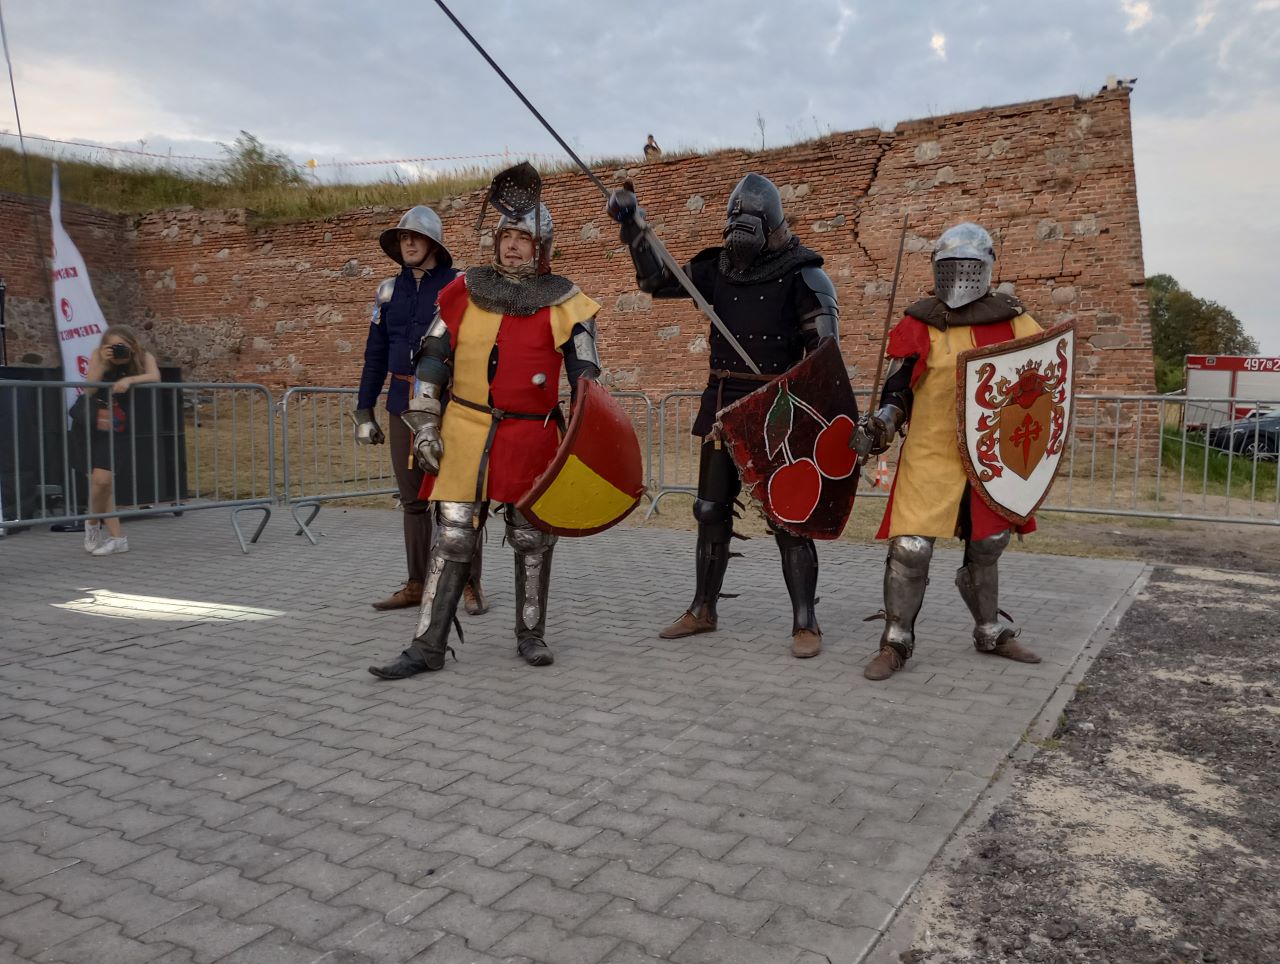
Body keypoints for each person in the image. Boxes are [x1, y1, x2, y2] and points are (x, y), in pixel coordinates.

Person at [369, 165, 604, 680]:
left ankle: (531, 633)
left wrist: (587, 431)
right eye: (507, 237)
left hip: (531, 433)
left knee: (531, 536)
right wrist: (427, 424)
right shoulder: (463, 292)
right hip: (466, 430)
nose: (514, 246)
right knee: (453, 536)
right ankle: (427, 645)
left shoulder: (568, 303)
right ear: (495, 241)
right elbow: (431, 358)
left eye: (525, 238)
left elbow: (587, 377)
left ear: (542, 248)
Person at [608, 173, 840, 658]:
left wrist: (805, 405)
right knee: (710, 510)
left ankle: (806, 621)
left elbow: (824, 355)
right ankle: (703, 609)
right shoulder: (720, 268)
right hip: (721, 405)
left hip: (777, 407)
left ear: (771, 224)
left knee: (789, 517)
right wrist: (634, 226)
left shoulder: (805, 274)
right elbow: (657, 280)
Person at [857, 221, 1043, 681]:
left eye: (968, 266)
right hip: (931, 451)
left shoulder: (1015, 320)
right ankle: (896, 640)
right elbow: (898, 390)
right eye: (948, 266)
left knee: (988, 542)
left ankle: (989, 629)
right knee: (911, 547)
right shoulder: (921, 321)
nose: (958, 275)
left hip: (990, 456)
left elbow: (1041, 384)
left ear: (986, 267)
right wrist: (883, 420)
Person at [353, 206, 486, 614]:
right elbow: (374, 356)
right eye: (401, 238)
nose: (406, 243)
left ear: (432, 243)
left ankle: (468, 584)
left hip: (449, 407)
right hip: (399, 405)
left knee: (458, 500)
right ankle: (416, 582)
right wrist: (363, 410)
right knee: (412, 501)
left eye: (414, 236)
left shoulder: (458, 286)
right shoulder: (388, 292)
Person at [81, 325, 160, 555]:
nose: (117, 351)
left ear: (131, 345)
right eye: (113, 346)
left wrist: (131, 379)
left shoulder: (142, 356)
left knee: (103, 482)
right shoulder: (99, 355)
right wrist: (104, 363)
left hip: (119, 426)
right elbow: (89, 388)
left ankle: (93, 523)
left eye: (121, 346)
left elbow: (155, 376)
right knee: (100, 483)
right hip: (91, 423)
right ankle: (115, 537)